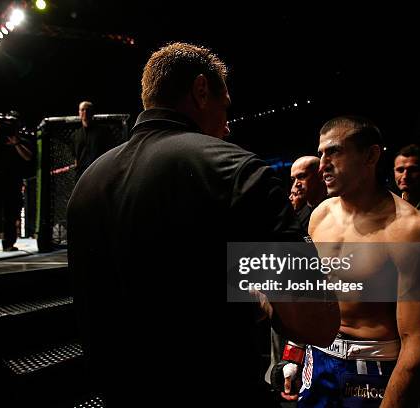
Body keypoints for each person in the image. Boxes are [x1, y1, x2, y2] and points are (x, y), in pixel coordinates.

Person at [67, 42, 339, 407]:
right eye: (225, 106)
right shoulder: (238, 171)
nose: (226, 126)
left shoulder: (86, 184)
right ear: (200, 91)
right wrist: (262, 298)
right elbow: (315, 323)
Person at [282, 116, 420, 407]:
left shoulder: (410, 231)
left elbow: (419, 340)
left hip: (375, 368)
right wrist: (293, 356)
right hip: (317, 359)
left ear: (370, 155)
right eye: (321, 154)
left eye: (335, 152)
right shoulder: (320, 215)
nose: (323, 164)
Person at [0, 111, 32, 252]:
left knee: (11, 213)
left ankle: (8, 243)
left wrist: (16, 143)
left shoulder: (22, 140)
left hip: (14, 180)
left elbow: (28, 157)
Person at [68, 101, 115, 180]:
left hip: (99, 174)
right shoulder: (75, 136)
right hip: (81, 176)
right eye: (82, 110)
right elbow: (75, 158)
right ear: (79, 112)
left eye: (88, 110)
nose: (85, 112)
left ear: (92, 112)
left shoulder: (103, 132)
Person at [290, 156, 327, 233]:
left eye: (302, 176)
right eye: (293, 179)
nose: (296, 184)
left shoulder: (338, 208)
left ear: (320, 175)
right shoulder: (298, 214)